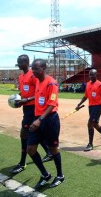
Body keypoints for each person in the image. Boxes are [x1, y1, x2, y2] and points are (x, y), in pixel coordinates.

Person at [9, 55, 52, 175]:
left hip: (33, 108)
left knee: (25, 133)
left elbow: (39, 93)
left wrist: (26, 100)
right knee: (34, 132)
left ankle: (22, 163)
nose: (18, 64)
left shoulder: (33, 76)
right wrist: (18, 100)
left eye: (20, 62)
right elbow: (23, 92)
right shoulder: (21, 76)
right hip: (26, 108)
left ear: (26, 62)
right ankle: (48, 152)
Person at [28, 59, 64, 189]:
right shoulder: (38, 81)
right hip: (38, 119)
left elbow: (52, 103)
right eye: (32, 68)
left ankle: (60, 175)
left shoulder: (52, 83)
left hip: (49, 120)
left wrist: (40, 120)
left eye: (35, 69)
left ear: (43, 68)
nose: (33, 71)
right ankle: (45, 174)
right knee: (31, 149)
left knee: (53, 148)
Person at [76, 69, 101, 151]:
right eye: (90, 75)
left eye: (92, 75)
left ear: (96, 75)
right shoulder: (88, 84)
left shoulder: (100, 85)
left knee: (90, 124)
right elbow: (85, 96)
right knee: (95, 124)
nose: (91, 76)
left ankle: (90, 144)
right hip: (91, 107)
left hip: (98, 107)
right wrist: (79, 104)